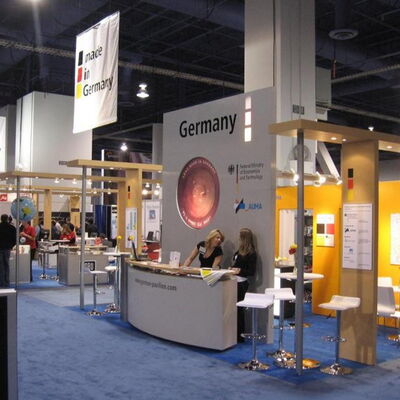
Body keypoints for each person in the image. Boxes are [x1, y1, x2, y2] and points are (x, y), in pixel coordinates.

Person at [229, 228, 257, 342]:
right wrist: (232, 268)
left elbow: (251, 272)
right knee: (233, 310)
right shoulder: (239, 251)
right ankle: (233, 334)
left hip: (242, 283)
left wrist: (238, 270)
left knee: (239, 310)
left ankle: (240, 336)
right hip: (233, 281)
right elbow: (236, 264)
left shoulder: (252, 254)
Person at [0, 214, 17, 287]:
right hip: (7, 248)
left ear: (1, 219)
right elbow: (14, 239)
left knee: (1, 266)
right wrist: (11, 246)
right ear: (7, 219)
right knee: (6, 265)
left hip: (0, 248)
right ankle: (7, 282)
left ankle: (1, 282)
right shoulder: (12, 228)